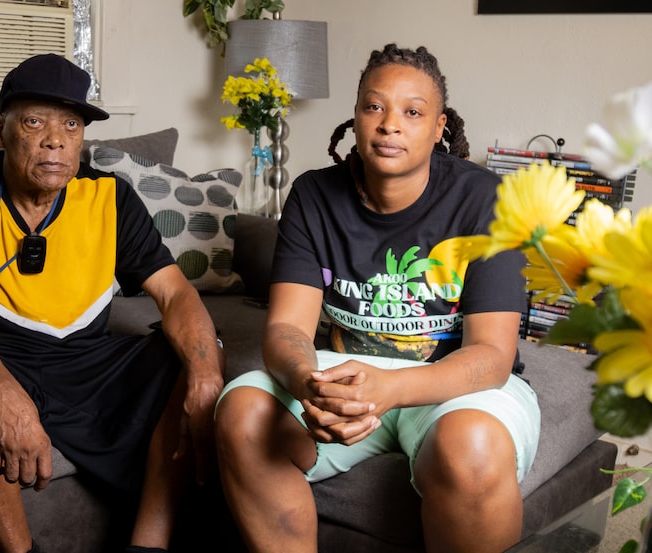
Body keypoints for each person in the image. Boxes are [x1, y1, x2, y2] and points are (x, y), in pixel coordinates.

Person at [214, 44, 541, 553]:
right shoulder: (313, 194)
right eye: (374, 106)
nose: (390, 124)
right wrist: (309, 383)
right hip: (343, 371)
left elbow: (492, 357)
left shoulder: (488, 199)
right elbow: (286, 330)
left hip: (454, 384)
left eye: (413, 112)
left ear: (440, 127)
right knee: (242, 413)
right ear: (356, 115)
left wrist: (388, 388)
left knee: (472, 449)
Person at [0, 53, 224, 553]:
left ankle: (149, 544)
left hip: (88, 360)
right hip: (2, 357)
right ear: (1, 130)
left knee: (198, 351)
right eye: (34, 121)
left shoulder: (109, 197)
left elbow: (175, 292)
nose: (55, 139)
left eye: (72, 124)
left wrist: (207, 376)